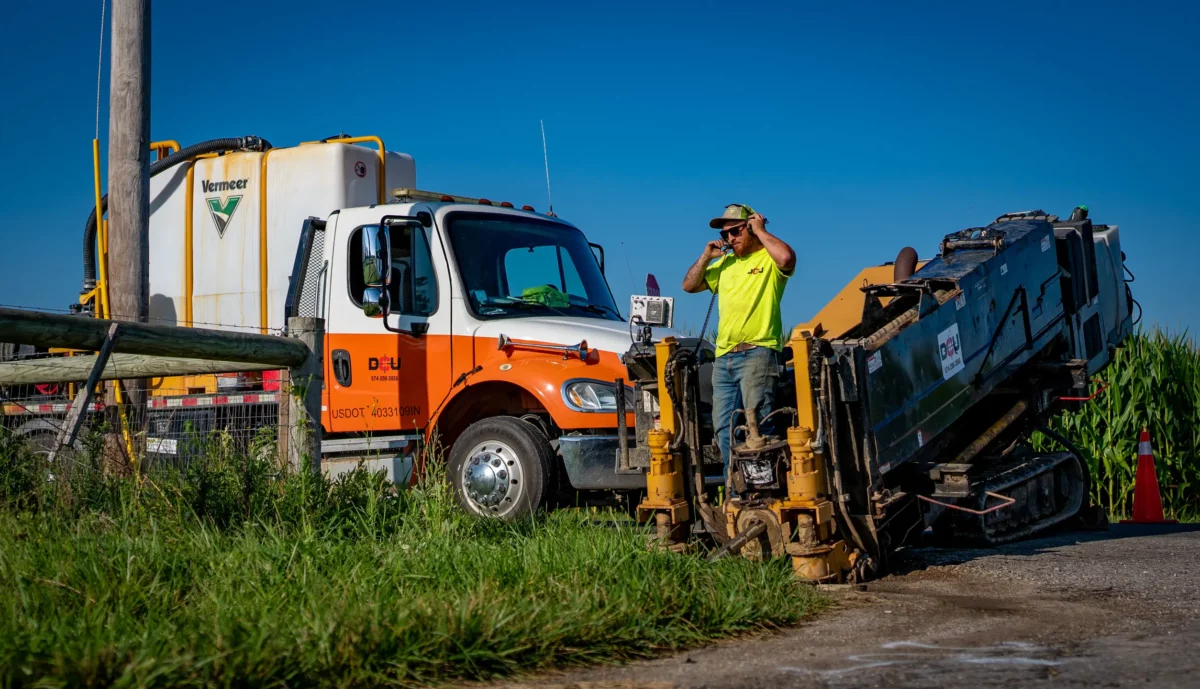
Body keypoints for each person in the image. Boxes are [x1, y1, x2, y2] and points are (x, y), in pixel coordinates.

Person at [681, 203, 796, 488]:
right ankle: (737, 492)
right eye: (726, 233)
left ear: (751, 226)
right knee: (724, 432)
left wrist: (760, 230)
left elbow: (787, 258)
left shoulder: (768, 259)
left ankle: (763, 495)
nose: (730, 238)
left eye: (736, 230)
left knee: (760, 429)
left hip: (758, 353)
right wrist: (706, 256)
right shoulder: (724, 265)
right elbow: (689, 285)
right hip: (725, 358)